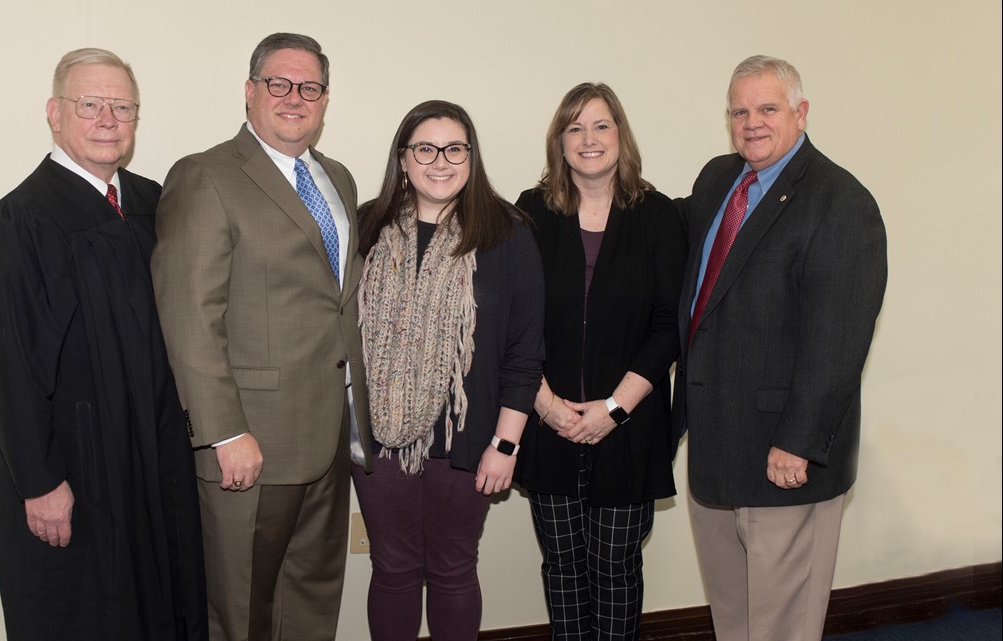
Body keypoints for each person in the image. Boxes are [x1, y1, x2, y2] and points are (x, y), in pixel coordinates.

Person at [0, 48, 206, 641]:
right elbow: (7, 369)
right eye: (90, 104)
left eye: (122, 106)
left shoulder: (155, 203)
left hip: (158, 456)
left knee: (165, 596)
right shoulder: (17, 222)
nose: (107, 119)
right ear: (54, 113)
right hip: (80, 466)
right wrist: (41, 482)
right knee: (89, 610)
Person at [150, 33, 372, 641]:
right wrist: (223, 430)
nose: (294, 98)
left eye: (310, 88)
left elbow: (336, 303)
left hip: (329, 438)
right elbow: (189, 316)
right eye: (279, 83)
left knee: (310, 599)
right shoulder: (205, 176)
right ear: (250, 92)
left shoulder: (339, 180)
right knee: (241, 609)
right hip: (250, 444)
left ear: (325, 100)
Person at [675, 55, 887, 641]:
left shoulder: (841, 202)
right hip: (715, 448)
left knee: (782, 628)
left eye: (768, 108)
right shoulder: (718, 179)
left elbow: (838, 340)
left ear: (801, 112)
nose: (752, 122)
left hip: (783, 459)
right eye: (739, 111)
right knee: (734, 618)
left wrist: (797, 441)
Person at [353, 100, 545, 640]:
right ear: (404, 158)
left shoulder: (508, 234)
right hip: (379, 439)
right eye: (426, 148)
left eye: (454, 148)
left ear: (471, 156)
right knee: (392, 569)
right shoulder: (366, 227)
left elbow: (525, 353)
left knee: (454, 569)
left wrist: (505, 445)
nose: (441, 161)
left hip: (470, 434)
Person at [513, 83, 687, 641]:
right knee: (562, 567)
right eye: (575, 128)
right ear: (559, 141)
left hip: (628, 428)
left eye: (601, 125)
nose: (589, 139)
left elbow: (670, 325)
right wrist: (546, 406)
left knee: (616, 568)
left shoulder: (658, 216)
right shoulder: (532, 212)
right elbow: (511, 320)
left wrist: (613, 408)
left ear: (621, 136)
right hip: (549, 426)